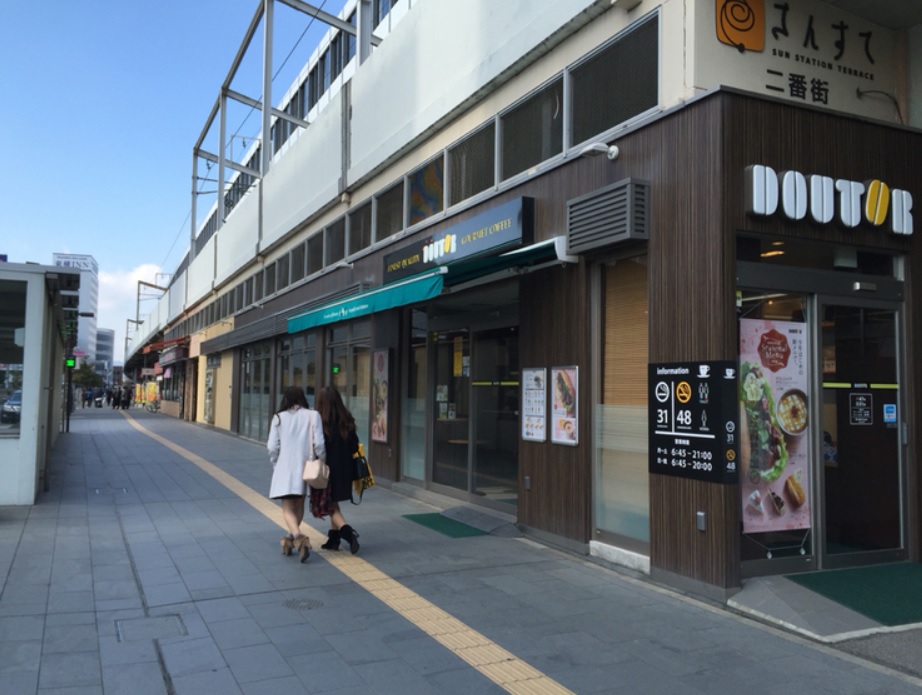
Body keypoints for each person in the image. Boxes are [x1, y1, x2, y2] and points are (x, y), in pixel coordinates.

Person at [267, 386, 325, 562]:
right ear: (302, 398)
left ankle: (298, 538)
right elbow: (320, 444)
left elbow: (272, 447)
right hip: (305, 467)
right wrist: (321, 461)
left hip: (284, 467)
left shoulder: (278, 418)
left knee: (286, 507)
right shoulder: (313, 415)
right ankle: (289, 540)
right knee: (299, 504)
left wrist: (275, 462)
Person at [312, 385, 361, 554]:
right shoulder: (347, 420)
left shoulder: (319, 422)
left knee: (329, 505)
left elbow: (316, 447)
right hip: (346, 469)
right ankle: (334, 539)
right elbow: (355, 445)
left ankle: (347, 532)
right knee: (334, 502)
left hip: (327, 470)